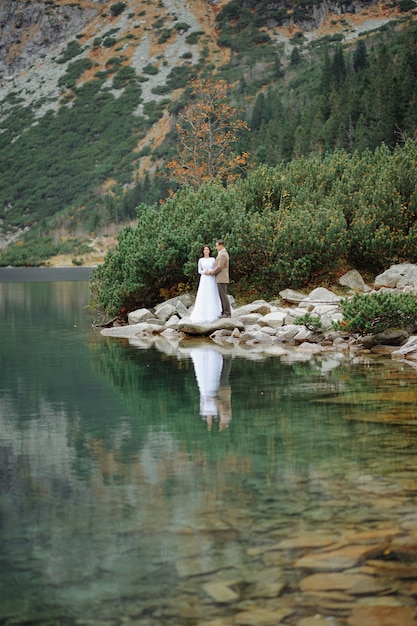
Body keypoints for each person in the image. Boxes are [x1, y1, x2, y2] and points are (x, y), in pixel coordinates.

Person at [189, 245, 222, 323]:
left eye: (207, 249)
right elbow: (199, 270)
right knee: (203, 294)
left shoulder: (213, 259)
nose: (206, 251)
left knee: (212, 293)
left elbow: (216, 268)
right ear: (203, 251)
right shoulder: (201, 260)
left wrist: (211, 272)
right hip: (204, 278)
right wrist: (204, 272)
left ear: (209, 251)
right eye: (204, 250)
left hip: (211, 277)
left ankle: (214, 312)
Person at [206, 239, 231, 318]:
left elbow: (220, 267)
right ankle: (224, 311)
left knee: (223, 295)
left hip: (222, 278)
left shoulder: (223, 254)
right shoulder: (221, 253)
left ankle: (227, 313)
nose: (216, 248)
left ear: (221, 245)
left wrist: (211, 272)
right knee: (221, 295)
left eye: (217, 246)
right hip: (220, 278)